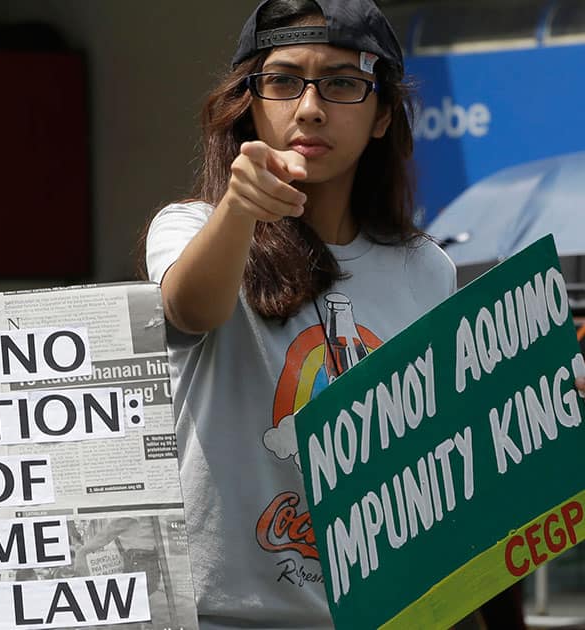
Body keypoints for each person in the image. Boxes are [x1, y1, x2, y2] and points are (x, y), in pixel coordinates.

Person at [143, 0, 580, 627]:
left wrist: (545, 409)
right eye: (284, 80)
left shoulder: (425, 267)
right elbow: (192, 309)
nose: (311, 106)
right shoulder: (189, 226)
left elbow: (443, 464)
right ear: (250, 103)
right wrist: (239, 208)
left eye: (344, 83)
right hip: (212, 615)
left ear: (382, 117)